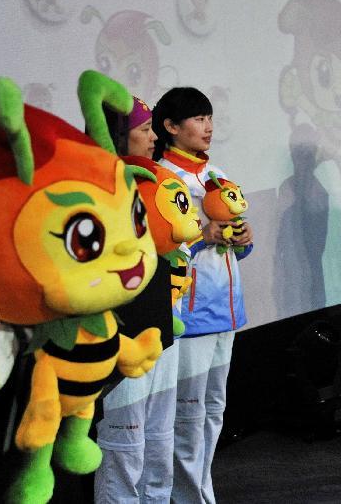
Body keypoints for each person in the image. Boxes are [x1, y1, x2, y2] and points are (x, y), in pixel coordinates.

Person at [153, 87, 254, 503]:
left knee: (213, 413)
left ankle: (198, 491)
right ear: (171, 127)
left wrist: (243, 237)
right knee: (189, 417)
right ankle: (190, 497)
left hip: (226, 309)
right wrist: (201, 236)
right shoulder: (162, 178)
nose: (207, 126)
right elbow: (160, 248)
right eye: (197, 118)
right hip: (190, 314)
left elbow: (237, 245)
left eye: (209, 117)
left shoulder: (217, 174)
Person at [95, 96, 181, 503]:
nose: (152, 137)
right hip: (123, 339)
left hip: (159, 332)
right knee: (125, 450)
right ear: (116, 136)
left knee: (159, 445)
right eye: (144, 130)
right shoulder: (96, 190)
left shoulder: (152, 181)